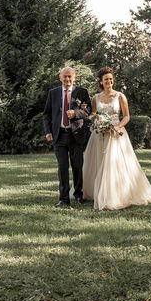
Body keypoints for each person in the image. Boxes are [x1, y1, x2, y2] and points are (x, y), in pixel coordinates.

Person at [82, 67, 151, 210]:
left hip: (116, 134)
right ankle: (95, 191)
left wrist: (117, 126)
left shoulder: (120, 96)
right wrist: (98, 121)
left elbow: (126, 116)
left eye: (111, 79)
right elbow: (93, 114)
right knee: (97, 162)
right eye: (106, 79)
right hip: (99, 134)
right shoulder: (95, 98)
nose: (109, 81)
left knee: (112, 163)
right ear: (101, 81)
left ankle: (114, 195)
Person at [43, 66, 91, 207]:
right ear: (60, 78)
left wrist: (76, 113)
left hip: (76, 135)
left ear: (74, 77)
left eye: (70, 76)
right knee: (62, 167)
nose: (67, 79)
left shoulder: (82, 92)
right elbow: (46, 114)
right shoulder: (53, 93)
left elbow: (88, 110)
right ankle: (63, 199)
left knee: (77, 166)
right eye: (65, 76)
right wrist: (48, 131)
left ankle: (78, 195)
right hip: (59, 136)